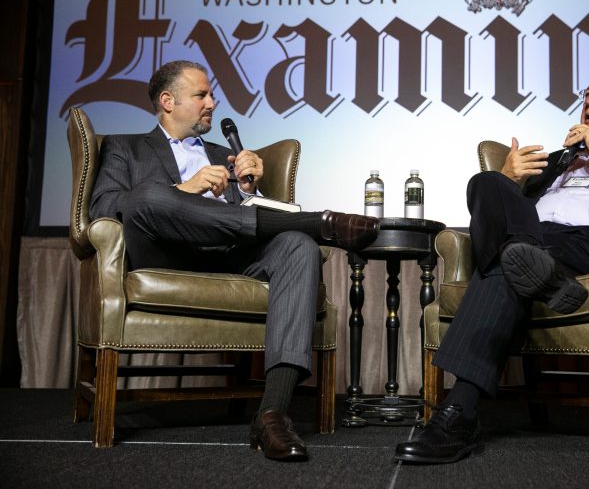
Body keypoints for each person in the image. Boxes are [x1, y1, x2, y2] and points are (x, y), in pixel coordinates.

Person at [89, 60, 380, 462]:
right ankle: (320, 223)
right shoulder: (125, 147)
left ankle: (273, 414)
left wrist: (249, 192)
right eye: (201, 95)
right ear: (168, 101)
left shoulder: (225, 156)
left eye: (211, 95)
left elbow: (240, 223)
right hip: (163, 255)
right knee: (148, 196)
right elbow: (105, 208)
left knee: (298, 245)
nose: (212, 102)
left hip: (228, 253)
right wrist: (182, 190)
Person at [393, 65, 589, 464]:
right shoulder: (556, 160)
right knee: (487, 185)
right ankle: (543, 274)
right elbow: (503, 213)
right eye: (587, 93)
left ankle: (458, 412)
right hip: (535, 240)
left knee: (509, 259)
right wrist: (509, 178)